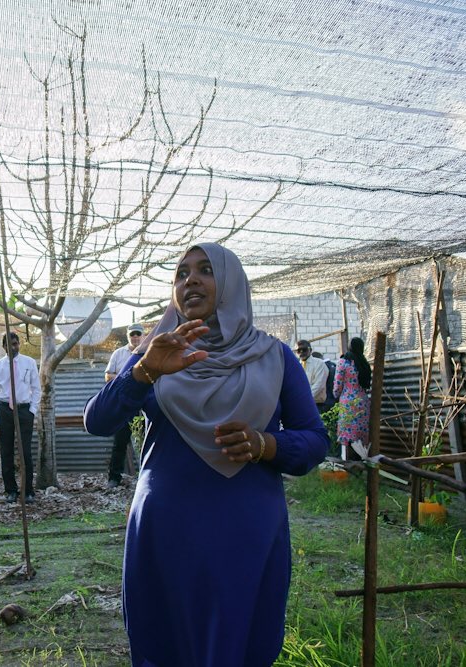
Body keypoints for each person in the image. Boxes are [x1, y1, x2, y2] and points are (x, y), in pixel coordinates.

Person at [84, 243, 328, 666]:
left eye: (206, 270)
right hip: (165, 529)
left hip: (244, 531)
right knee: (164, 643)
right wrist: (144, 371)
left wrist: (266, 445)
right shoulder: (156, 352)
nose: (190, 280)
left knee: (237, 642)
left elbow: (315, 439)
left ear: (232, 283)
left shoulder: (274, 357)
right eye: (181, 274)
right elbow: (98, 421)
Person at [0, 331, 42, 503]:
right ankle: (11, 490)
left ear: (19, 344)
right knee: (6, 452)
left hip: (24, 410)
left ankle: (28, 491)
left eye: (15, 343)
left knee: (25, 452)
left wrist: (32, 411)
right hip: (5, 411)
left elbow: (37, 388)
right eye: (9, 344)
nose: (13, 347)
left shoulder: (29, 363)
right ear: (3, 346)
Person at [102, 323, 145, 488]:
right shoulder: (118, 353)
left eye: (138, 334)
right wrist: (128, 378)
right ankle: (114, 478)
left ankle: (145, 478)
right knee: (120, 442)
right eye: (132, 334)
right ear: (128, 336)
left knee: (146, 443)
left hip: (145, 405)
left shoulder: (149, 352)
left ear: (143, 336)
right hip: (124, 405)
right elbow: (108, 376)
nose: (135, 337)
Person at [333, 336, 372, 458]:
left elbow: (338, 384)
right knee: (360, 435)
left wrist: (335, 395)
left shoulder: (343, 362)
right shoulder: (364, 363)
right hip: (363, 402)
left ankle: (350, 463)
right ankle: (360, 460)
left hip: (348, 402)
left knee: (348, 435)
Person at [296, 339, 328, 412]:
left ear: (310, 350)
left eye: (304, 349)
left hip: (316, 405)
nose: (301, 352)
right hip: (299, 405)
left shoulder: (319, 363)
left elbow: (319, 385)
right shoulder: (296, 365)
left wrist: (304, 398)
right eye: (299, 350)